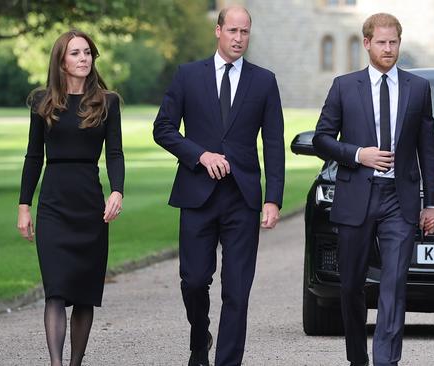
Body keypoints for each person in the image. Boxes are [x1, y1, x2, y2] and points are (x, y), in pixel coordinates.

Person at [152, 6, 284, 366]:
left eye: (245, 32)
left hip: (242, 199)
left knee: (237, 290)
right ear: (218, 31)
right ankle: (200, 337)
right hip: (197, 194)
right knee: (194, 281)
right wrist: (200, 155)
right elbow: (163, 129)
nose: (239, 38)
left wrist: (273, 199)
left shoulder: (264, 81)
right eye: (233, 31)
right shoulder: (188, 76)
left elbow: (273, 143)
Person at [313, 13, 434, 366]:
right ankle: (358, 358)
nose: (388, 49)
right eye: (382, 42)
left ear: (400, 42)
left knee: (395, 284)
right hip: (356, 195)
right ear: (366, 43)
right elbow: (322, 139)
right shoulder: (343, 86)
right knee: (351, 285)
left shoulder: (418, 88)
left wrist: (433, 203)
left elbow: (428, 148)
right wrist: (358, 154)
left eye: (394, 42)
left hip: (398, 201)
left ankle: (386, 360)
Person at [16, 30, 124, 366]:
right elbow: (34, 156)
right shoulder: (42, 102)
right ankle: (56, 364)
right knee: (56, 290)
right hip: (53, 204)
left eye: (88, 53)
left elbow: (116, 154)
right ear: (61, 61)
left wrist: (117, 190)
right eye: (76, 53)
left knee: (84, 294)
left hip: (90, 205)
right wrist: (24, 205)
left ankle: (75, 363)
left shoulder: (108, 102)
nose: (84, 58)